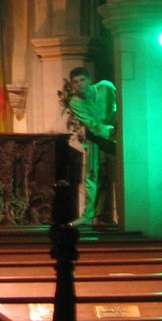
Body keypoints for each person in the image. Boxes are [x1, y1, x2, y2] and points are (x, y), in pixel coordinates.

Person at [67, 67, 118, 226]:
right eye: (75, 82)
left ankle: (123, 214)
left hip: (117, 136)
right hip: (97, 139)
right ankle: (89, 215)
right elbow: (92, 125)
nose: (79, 84)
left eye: (82, 80)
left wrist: (120, 130)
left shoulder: (105, 87)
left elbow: (118, 105)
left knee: (118, 175)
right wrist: (111, 133)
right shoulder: (75, 102)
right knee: (93, 176)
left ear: (89, 80)